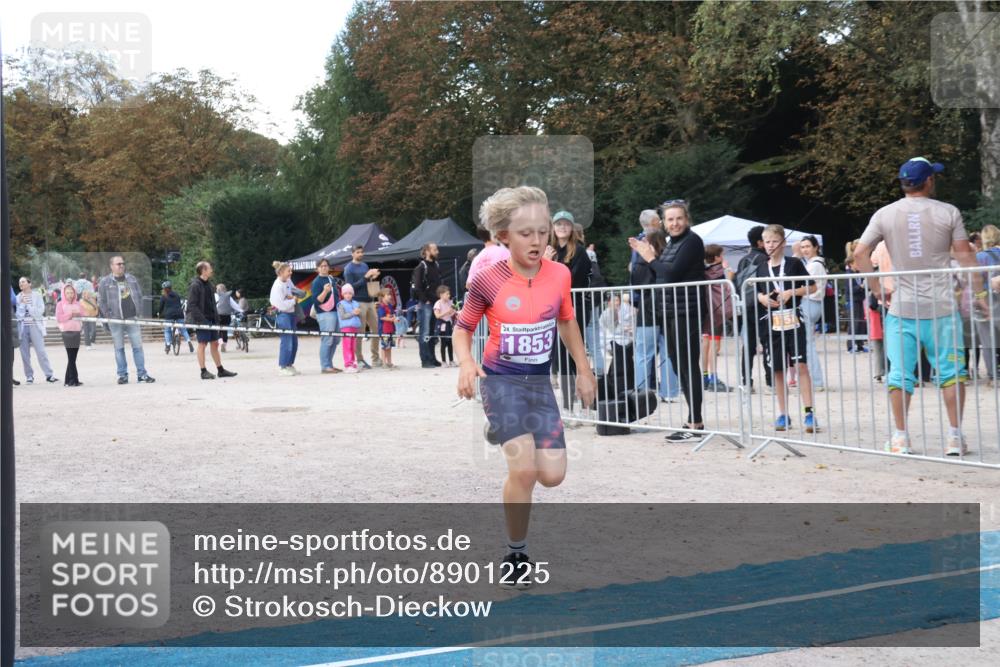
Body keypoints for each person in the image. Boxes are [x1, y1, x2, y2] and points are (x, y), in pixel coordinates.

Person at [455, 186, 596, 589]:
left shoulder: (560, 274)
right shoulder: (487, 279)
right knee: (525, 469)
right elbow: (463, 328)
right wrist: (466, 363)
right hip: (500, 382)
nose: (537, 241)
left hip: (539, 384)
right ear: (503, 236)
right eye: (525, 233)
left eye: (543, 231)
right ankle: (516, 553)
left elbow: (566, 321)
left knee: (552, 475)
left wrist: (584, 370)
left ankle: (500, 429)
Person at [854, 156, 984, 456]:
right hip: (942, 308)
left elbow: (860, 254)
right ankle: (954, 436)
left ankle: (901, 437)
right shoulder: (948, 211)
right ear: (928, 181)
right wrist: (979, 294)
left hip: (903, 308)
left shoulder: (885, 214)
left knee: (899, 374)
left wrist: (877, 289)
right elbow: (965, 257)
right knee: (952, 373)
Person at [630, 200, 706, 441]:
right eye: (670, 219)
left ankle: (695, 423)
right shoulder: (672, 242)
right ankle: (693, 421)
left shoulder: (692, 241)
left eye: (679, 218)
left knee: (688, 365)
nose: (675, 223)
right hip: (671, 311)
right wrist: (647, 259)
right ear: (663, 222)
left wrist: (650, 257)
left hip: (688, 311)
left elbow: (671, 274)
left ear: (687, 219)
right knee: (677, 363)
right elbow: (659, 274)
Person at [755, 224, 819, 432]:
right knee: (777, 369)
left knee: (800, 366)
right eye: (767, 242)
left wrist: (792, 292)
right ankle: (783, 414)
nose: (771, 245)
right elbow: (758, 291)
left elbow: (812, 286)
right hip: (772, 323)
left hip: (793, 320)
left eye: (775, 241)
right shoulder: (761, 267)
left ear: (783, 243)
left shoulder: (794, 263)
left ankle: (809, 413)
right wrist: (762, 298)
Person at [630, 209, 681, 404]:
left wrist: (635, 301)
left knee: (644, 353)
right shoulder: (669, 256)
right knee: (668, 352)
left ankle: (642, 393)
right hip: (667, 306)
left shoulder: (640, 259)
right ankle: (670, 392)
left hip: (648, 308)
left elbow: (636, 283)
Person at [545, 210, 592, 410]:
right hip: (556, 309)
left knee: (575, 355)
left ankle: (586, 402)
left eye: (566, 224)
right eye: (558, 224)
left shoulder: (579, 251)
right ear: (553, 228)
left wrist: (549, 265)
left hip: (575, 308)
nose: (562, 227)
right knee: (562, 357)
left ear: (571, 228)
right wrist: (546, 262)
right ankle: (568, 405)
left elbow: (570, 280)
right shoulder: (550, 250)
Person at [97, 256, 155, 384]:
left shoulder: (131, 279)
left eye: (123, 263)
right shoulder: (105, 282)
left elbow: (139, 296)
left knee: (138, 347)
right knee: (119, 349)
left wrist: (138, 311)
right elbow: (101, 300)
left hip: (132, 318)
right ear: (111, 266)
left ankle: (142, 375)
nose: (121, 265)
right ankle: (122, 375)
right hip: (115, 320)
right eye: (118, 264)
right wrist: (108, 314)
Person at [188, 261, 237, 380]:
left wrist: (217, 319)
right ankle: (203, 371)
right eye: (209, 268)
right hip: (202, 320)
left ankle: (220, 370)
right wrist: (202, 320)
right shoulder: (195, 285)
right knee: (202, 344)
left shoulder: (210, 285)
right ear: (203, 270)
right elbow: (192, 305)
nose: (211, 270)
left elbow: (213, 304)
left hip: (212, 319)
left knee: (215, 343)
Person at [343, 246, 381, 369]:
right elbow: (350, 288)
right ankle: (359, 359)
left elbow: (366, 282)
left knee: (376, 329)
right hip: (358, 302)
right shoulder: (348, 268)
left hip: (370, 300)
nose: (360, 254)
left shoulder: (364, 265)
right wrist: (365, 277)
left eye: (361, 252)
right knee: (360, 332)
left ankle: (375, 358)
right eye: (358, 252)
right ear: (352, 254)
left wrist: (372, 277)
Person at [701, 244, 733, 392]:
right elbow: (728, 288)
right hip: (717, 311)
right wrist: (728, 271)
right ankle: (714, 378)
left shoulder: (703, 271)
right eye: (722, 254)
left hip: (706, 311)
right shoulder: (721, 271)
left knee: (705, 343)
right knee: (714, 345)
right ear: (717, 257)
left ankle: (705, 377)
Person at [15, 277, 58, 384]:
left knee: (41, 351)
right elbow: (18, 315)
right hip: (22, 328)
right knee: (25, 354)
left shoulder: (37, 295)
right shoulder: (17, 297)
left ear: (29, 284)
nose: (21, 284)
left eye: (23, 282)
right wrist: (22, 304)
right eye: (20, 282)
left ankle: (49, 375)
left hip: (35, 326)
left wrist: (28, 306)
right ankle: (29, 376)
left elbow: (40, 311)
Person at [798, 236, 827, 391]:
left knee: (807, 344)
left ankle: (816, 381)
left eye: (808, 246)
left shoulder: (814, 265)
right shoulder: (815, 263)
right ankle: (813, 379)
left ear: (816, 247)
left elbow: (803, 285)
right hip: (812, 303)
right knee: (807, 343)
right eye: (803, 247)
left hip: (810, 303)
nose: (805, 250)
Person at [974, 224, 1000, 383]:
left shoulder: (980, 257)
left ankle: (993, 375)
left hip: (986, 298)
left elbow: (975, 280)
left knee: (987, 338)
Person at [412, 243, 443, 369]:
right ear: (427, 251)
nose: (437, 251)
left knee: (432, 332)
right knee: (424, 331)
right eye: (435, 249)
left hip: (436, 303)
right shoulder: (421, 267)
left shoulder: (436, 265)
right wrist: (426, 300)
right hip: (426, 304)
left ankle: (432, 358)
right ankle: (425, 360)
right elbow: (417, 287)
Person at [311, 259, 342, 374]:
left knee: (336, 340)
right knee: (327, 340)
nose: (324, 267)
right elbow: (316, 302)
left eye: (326, 265)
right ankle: (325, 366)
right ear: (317, 268)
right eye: (321, 266)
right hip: (325, 314)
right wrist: (324, 291)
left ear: (329, 267)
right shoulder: (316, 282)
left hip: (335, 312)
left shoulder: (331, 278)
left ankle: (329, 364)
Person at [270, 261, 300, 376]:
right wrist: (293, 300)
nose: (291, 273)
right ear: (281, 272)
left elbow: (293, 290)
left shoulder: (288, 280)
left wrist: (293, 296)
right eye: (289, 271)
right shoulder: (277, 286)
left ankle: (289, 364)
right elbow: (281, 305)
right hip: (282, 314)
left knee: (294, 341)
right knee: (287, 341)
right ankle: (282, 367)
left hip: (291, 313)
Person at [55, 283, 84, 386]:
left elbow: (83, 314)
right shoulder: (60, 304)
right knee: (71, 357)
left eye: (72, 292)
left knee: (73, 357)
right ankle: (73, 380)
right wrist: (71, 314)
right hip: (66, 332)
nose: (70, 295)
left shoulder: (78, 304)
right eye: (67, 293)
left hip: (77, 331)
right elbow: (59, 318)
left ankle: (70, 380)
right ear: (64, 293)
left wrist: (79, 314)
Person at [160, 281, 193, 353]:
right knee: (183, 329)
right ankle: (189, 341)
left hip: (169, 315)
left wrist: (160, 314)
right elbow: (179, 304)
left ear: (164, 289)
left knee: (167, 330)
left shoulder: (164, 296)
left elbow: (161, 307)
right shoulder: (177, 295)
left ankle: (168, 345)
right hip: (179, 314)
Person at [337, 283, 362, 373]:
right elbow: (342, 316)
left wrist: (359, 312)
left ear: (352, 294)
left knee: (353, 346)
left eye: (350, 293)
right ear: (343, 294)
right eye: (346, 293)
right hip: (346, 328)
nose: (348, 295)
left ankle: (353, 364)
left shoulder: (356, 303)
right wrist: (353, 313)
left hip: (355, 327)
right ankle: (348, 365)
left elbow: (359, 315)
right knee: (347, 346)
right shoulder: (341, 304)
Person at [433, 285, 458, 367]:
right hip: (442, 324)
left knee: (450, 343)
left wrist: (455, 312)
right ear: (441, 295)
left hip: (449, 324)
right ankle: (443, 361)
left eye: (449, 294)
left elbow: (452, 312)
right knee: (443, 343)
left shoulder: (450, 302)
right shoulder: (438, 304)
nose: (449, 295)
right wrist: (447, 312)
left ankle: (451, 360)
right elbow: (437, 316)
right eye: (447, 294)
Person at [377, 288, 400, 369]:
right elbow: (382, 317)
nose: (390, 296)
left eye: (390, 295)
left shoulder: (390, 306)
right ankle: (384, 363)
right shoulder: (381, 306)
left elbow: (392, 314)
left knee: (389, 346)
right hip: (384, 330)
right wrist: (391, 319)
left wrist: (395, 318)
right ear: (382, 296)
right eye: (388, 295)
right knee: (384, 347)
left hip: (391, 329)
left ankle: (389, 362)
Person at [75, 272, 97, 347]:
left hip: (81, 305)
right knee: (90, 327)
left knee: (86, 327)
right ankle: (90, 342)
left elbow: (75, 295)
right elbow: (93, 293)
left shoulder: (76, 284)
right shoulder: (89, 283)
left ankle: (88, 344)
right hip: (89, 303)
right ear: (86, 276)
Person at [215, 283, 235, 352]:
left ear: (218, 290)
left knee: (218, 331)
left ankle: (221, 343)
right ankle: (225, 345)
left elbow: (213, 306)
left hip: (219, 316)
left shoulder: (216, 296)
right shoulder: (228, 296)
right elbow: (234, 305)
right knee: (225, 331)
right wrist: (241, 310)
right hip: (227, 316)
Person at [9, 286, 20, 385]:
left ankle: (9, 377)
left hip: (9, 321)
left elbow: (13, 300)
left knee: (10, 356)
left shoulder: (7, 285)